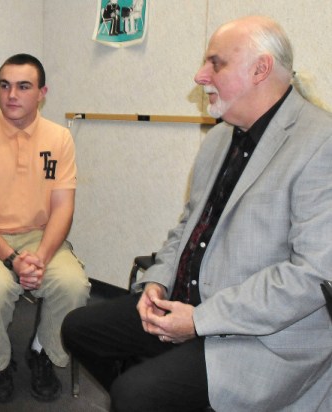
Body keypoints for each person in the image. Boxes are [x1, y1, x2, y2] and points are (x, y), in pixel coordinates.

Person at [61, 16, 332, 412]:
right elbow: (189, 226)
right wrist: (156, 281)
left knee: (134, 395)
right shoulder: (219, 137)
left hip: (262, 335)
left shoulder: (319, 142)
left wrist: (200, 320)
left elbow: (310, 276)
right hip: (189, 304)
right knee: (78, 329)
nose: (200, 75)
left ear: (261, 69)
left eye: (215, 63)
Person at [0, 53, 90, 403]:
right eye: (4, 85)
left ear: (42, 93)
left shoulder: (60, 139)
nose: (11, 94)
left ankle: (42, 351)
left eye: (23, 86)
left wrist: (40, 256)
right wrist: (13, 259)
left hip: (39, 237)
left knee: (73, 285)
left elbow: (63, 208)